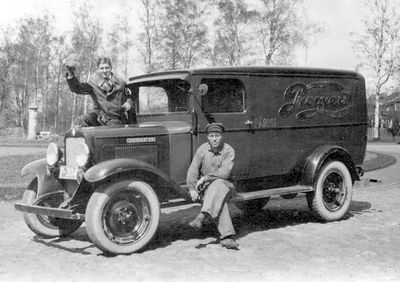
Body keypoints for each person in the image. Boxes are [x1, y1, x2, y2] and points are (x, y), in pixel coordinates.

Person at [186, 122, 239, 249]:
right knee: (218, 199)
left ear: (222, 136)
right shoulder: (202, 150)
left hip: (227, 185)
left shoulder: (228, 150)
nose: (214, 139)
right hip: (209, 189)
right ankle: (226, 238)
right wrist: (192, 188)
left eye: (217, 135)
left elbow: (225, 173)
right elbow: (193, 170)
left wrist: (205, 178)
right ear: (207, 137)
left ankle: (201, 216)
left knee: (219, 183)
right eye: (211, 136)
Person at [64, 55, 135, 127]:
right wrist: (70, 72)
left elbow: (129, 97)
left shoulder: (121, 82)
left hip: (117, 118)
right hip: (100, 118)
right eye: (101, 68)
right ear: (97, 69)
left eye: (107, 68)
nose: (104, 71)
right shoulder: (93, 83)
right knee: (80, 120)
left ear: (111, 68)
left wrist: (128, 103)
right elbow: (76, 88)